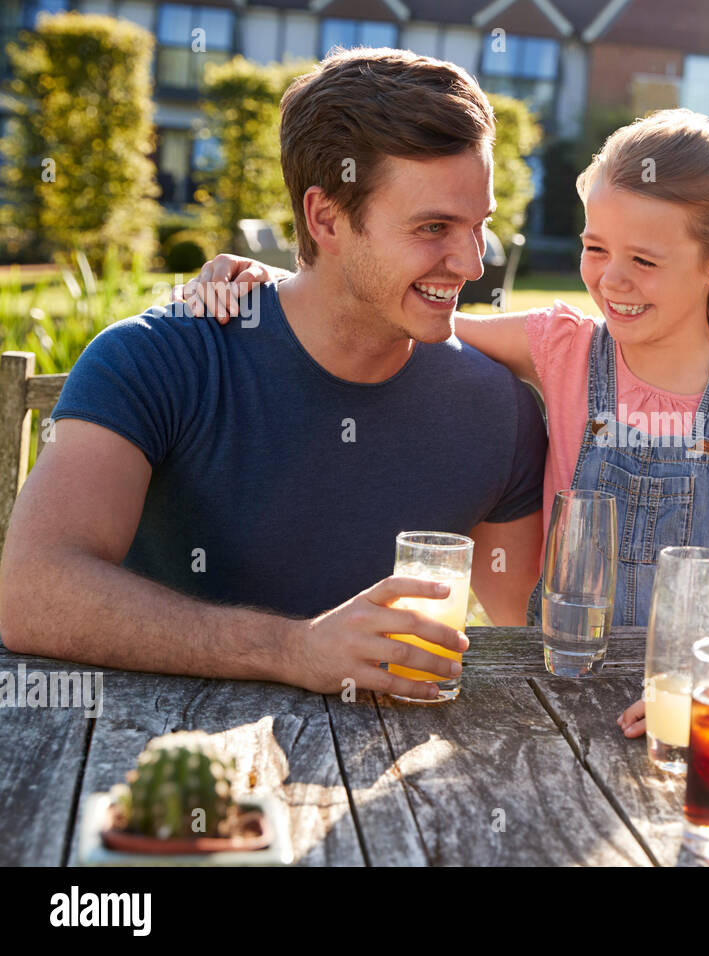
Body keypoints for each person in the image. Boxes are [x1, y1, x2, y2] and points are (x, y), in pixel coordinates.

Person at [180, 109, 709, 749]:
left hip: (693, 714)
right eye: (596, 247)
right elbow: (404, 315)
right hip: (562, 702)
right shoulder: (563, 348)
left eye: (645, 260)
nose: (612, 279)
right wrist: (280, 283)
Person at [0, 49, 550, 701]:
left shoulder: (496, 408)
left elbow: (537, 635)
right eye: (434, 227)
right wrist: (292, 649)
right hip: (147, 771)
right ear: (326, 218)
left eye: (478, 226)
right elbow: (33, 591)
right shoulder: (162, 359)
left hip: (384, 789)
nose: (470, 262)